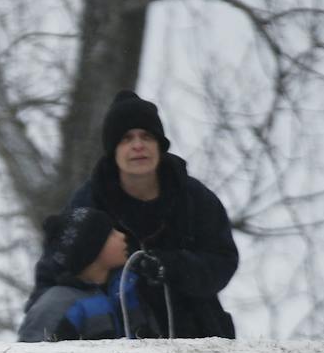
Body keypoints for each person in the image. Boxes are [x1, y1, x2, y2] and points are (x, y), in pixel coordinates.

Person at [29, 90, 238, 339]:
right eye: (126, 138)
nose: (138, 145)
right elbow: (55, 264)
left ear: (160, 146)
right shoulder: (89, 201)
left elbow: (222, 261)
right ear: (113, 150)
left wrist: (171, 266)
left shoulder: (194, 197)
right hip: (115, 335)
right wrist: (42, 321)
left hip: (195, 332)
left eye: (146, 136)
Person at [18, 208, 159, 342]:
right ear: (91, 250)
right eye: (111, 234)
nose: (122, 236)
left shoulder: (126, 288)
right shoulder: (56, 306)